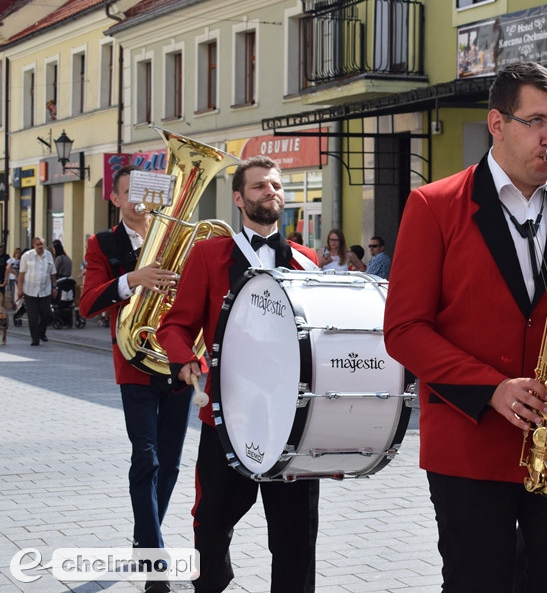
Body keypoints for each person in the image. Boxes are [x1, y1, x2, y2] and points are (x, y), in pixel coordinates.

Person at [383, 60, 547, 592]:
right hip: (472, 444)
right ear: (497, 124)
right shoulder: (433, 205)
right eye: (539, 121)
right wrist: (490, 389)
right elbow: (404, 329)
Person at [158, 155, 321, 593]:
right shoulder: (209, 254)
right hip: (227, 417)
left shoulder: (308, 261)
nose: (271, 192)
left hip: (292, 420)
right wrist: (182, 359)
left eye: (276, 186)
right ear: (238, 199)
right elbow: (174, 325)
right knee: (211, 523)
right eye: (259, 187)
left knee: (296, 537)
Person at [79, 165, 191, 593]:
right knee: (146, 457)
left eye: (148, 193)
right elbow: (89, 302)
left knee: (172, 462)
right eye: (132, 193)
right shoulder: (102, 244)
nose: (141, 201)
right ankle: (154, 562)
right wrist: (132, 280)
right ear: (117, 199)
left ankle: (146, 538)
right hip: (135, 361)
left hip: (177, 360)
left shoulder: (178, 236)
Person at [18, 237, 56, 346]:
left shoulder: (48, 255)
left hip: (46, 290)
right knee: (32, 316)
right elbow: (21, 274)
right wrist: (20, 289)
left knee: (46, 314)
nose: (40, 246)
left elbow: (53, 273)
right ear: (33, 245)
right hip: (30, 290)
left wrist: (54, 287)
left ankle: (41, 332)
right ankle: (35, 339)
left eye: (42, 244)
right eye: (38, 244)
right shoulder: (26, 256)